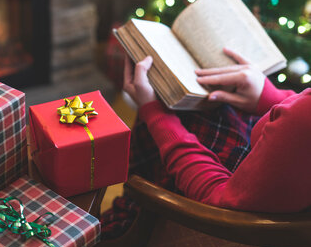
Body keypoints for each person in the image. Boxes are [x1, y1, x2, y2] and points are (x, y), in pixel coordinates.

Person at [123, 47, 311, 213]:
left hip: (216, 225)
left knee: (190, 110)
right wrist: (273, 97)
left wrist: (155, 113)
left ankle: (132, 210)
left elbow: (220, 200)